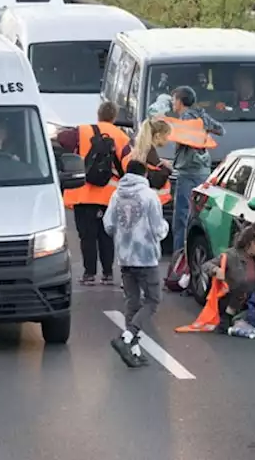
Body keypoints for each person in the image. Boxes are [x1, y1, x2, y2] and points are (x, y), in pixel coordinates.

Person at [102, 160, 169, 367]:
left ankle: (134, 352)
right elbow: (158, 229)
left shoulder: (116, 194)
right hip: (146, 257)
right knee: (153, 300)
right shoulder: (150, 196)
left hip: (124, 257)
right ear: (145, 175)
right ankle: (127, 338)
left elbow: (108, 225)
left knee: (132, 303)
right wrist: (165, 228)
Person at [56, 101, 130, 285]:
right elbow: (128, 165)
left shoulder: (82, 131)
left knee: (87, 236)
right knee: (106, 236)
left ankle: (89, 274)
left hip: (82, 193)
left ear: (98, 114)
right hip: (109, 196)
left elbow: (61, 138)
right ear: (114, 117)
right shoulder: (121, 137)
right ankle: (108, 274)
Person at [166, 86, 224, 255]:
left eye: (174, 100)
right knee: (200, 214)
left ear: (180, 101)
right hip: (203, 171)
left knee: (182, 218)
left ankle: (179, 257)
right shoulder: (202, 116)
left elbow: (180, 140)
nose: (172, 104)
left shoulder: (184, 120)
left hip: (187, 171)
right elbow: (220, 129)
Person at [204, 223, 255, 330]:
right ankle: (228, 318)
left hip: (249, 303)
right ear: (252, 243)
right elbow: (206, 266)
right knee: (242, 284)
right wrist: (216, 270)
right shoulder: (231, 255)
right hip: (232, 303)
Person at [128, 117, 174, 206]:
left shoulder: (144, 151)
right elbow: (156, 181)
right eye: (167, 135)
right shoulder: (150, 154)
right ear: (157, 136)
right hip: (151, 202)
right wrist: (167, 168)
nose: (168, 139)